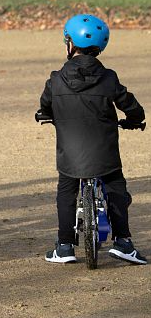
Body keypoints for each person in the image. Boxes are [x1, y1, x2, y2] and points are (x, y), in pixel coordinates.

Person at [39, 14, 146, 265]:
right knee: (116, 188)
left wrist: (46, 115)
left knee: (66, 191)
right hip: (105, 152)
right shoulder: (109, 78)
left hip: (70, 154)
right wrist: (133, 120)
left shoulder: (55, 79)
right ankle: (123, 243)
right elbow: (132, 107)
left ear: (70, 44)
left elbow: (45, 107)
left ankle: (64, 246)